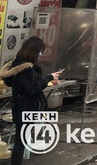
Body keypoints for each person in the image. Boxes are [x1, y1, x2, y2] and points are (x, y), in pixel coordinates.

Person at [0, 36, 61, 165]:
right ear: (33, 51)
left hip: (21, 108)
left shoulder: (17, 66)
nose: (40, 54)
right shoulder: (25, 69)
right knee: (20, 143)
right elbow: (34, 88)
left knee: (21, 141)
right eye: (40, 51)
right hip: (26, 109)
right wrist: (49, 77)